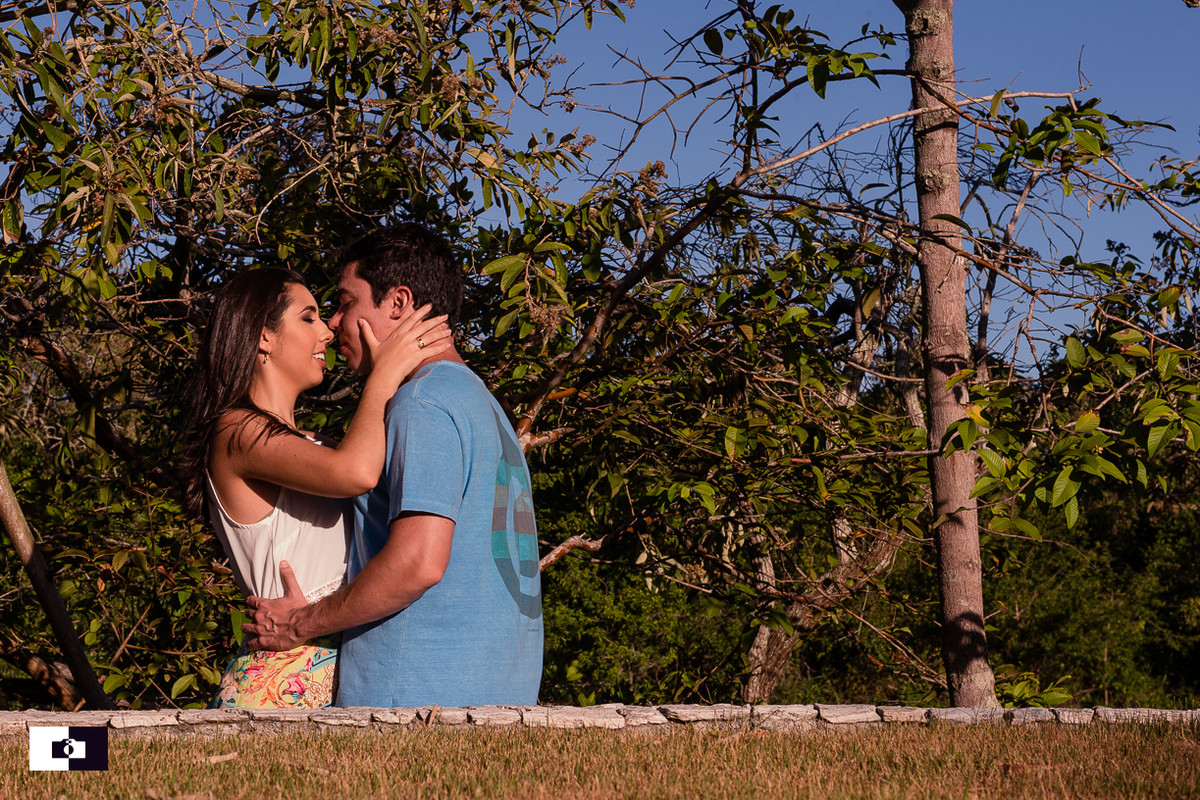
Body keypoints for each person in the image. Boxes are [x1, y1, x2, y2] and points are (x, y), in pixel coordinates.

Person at [243, 224, 543, 707]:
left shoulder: (420, 402)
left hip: (413, 696)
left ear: (398, 304)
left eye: (346, 302)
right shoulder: (481, 403)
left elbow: (418, 562)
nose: (336, 322)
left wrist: (299, 623)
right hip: (497, 694)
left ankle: (77, 755)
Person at [183, 267, 451, 708]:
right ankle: (32, 760)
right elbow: (357, 473)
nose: (327, 331)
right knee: (118, 761)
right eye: (307, 317)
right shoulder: (235, 431)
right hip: (281, 679)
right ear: (263, 335)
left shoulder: (309, 447)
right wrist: (385, 372)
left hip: (325, 674)